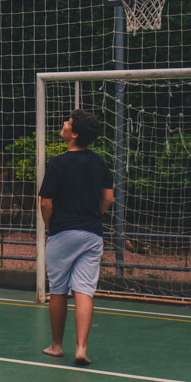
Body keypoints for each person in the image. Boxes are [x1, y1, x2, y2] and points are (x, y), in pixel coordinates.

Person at [39, 109, 114, 366]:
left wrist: (50, 226)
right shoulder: (99, 162)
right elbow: (108, 198)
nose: (64, 123)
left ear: (75, 134)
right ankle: (81, 348)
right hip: (92, 233)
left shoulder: (57, 163)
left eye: (68, 122)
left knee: (58, 290)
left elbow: (45, 202)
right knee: (84, 290)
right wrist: (93, 216)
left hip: (63, 231)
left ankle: (57, 346)